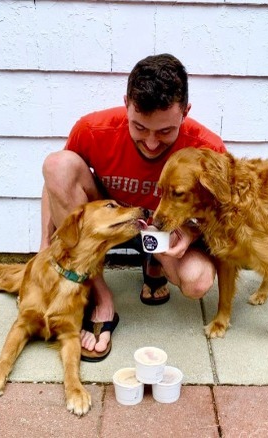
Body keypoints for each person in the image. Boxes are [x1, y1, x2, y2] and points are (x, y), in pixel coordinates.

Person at [40, 54, 226, 361]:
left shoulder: (207, 148)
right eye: (139, 127)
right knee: (57, 165)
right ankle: (101, 298)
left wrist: (191, 234)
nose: (151, 143)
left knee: (198, 281)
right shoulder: (92, 129)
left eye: (165, 131)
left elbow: (224, 213)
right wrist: (45, 248)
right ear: (126, 103)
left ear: (186, 112)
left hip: (165, 231)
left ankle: (155, 263)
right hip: (112, 221)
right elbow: (56, 186)